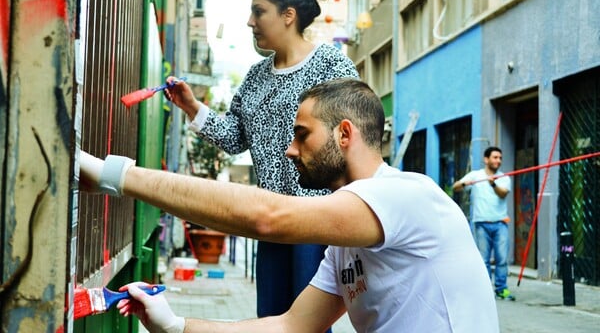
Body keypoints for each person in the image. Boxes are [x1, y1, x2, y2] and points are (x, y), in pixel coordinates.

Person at [80, 78, 499, 333]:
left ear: (344, 135)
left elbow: (268, 218)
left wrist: (112, 176)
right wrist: (174, 325)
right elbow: (292, 326)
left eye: (302, 134)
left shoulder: (407, 194)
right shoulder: (345, 244)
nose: (290, 150)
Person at [164, 0, 358, 320]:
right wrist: (192, 107)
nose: (250, 22)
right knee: (271, 317)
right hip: (269, 219)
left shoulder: (332, 66)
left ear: (288, 15)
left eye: (258, 12)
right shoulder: (255, 77)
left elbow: (354, 136)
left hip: (316, 219)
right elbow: (235, 138)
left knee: (308, 324)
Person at [452, 146, 515, 301]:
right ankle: (485, 290)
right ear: (486, 159)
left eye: (500, 158)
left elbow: (502, 194)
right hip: (481, 223)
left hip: (500, 224)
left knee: (501, 259)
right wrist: (466, 183)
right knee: (484, 259)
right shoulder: (476, 175)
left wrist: (493, 184)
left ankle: (501, 289)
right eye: (495, 157)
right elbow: (456, 187)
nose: (498, 160)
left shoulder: (504, 178)